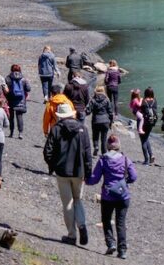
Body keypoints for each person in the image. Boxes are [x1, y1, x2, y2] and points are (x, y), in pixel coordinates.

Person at [43, 102, 92, 246]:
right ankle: (82, 224)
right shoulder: (82, 129)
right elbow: (87, 153)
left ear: (60, 116)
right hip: (79, 171)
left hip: (62, 171)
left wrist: (53, 165)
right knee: (77, 200)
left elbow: (48, 152)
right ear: (72, 114)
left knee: (67, 203)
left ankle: (72, 235)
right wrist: (88, 172)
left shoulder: (56, 129)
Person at [86, 134, 138, 258]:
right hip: (123, 195)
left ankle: (111, 243)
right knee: (121, 223)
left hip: (108, 195)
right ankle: (122, 250)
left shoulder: (103, 159)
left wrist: (86, 180)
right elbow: (134, 176)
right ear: (118, 145)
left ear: (108, 146)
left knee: (106, 220)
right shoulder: (125, 159)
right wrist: (125, 182)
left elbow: (95, 179)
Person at [86, 85, 114, 156]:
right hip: (105, 121)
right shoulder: (107, 99)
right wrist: (111, 122)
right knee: (104, 138)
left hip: (96, 120)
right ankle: (104, 152)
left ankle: (96, 146)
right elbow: (110, 112)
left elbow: (88, 111)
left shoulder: (92, 100)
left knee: (95, 136)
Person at [5, 64, 31, 139]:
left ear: (11, 70)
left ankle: (11, 132)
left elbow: (4, 88)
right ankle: (20, 133)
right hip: (21, 100)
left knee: (11, 117)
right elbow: (28, 89)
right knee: (19, 116)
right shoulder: (23, 79)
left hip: (10, 99)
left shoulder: (8, 78)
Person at [137, 87, 159, 165]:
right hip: (151, 122)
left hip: (143, 122)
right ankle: (151, 155)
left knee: (143, 140)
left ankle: (146, 160)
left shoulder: (143, 101)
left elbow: (138, 108)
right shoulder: (155, 100)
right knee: (146, 138)